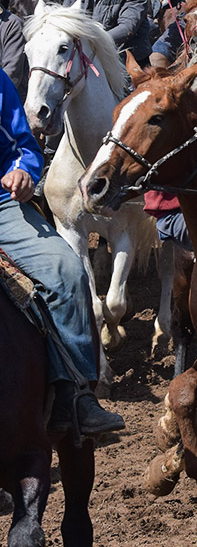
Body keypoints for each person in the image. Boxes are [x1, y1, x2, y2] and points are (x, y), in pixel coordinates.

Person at [0, 68, 126, 438]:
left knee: (67, 270)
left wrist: (23, 171)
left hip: (2, 206)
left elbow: (23, 146)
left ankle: (76, 395)